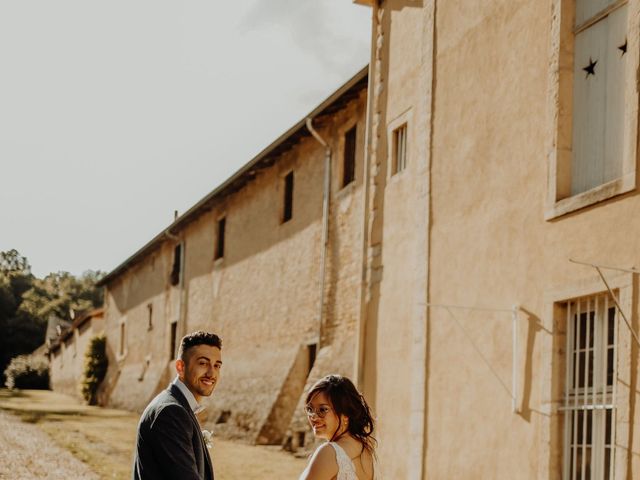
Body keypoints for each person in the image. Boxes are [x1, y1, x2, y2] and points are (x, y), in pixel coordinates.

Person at [132, 331, 222, 480]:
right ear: (180, 367)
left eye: (217, 365)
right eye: (203, 363)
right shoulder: (170, 412)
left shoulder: (177, 406)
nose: (211, 373)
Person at [299, 374, 377, 480]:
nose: (313, 417)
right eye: (310, 409)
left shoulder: (329, 452)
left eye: (323, 410)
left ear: (346, 414)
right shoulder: (366, 448)